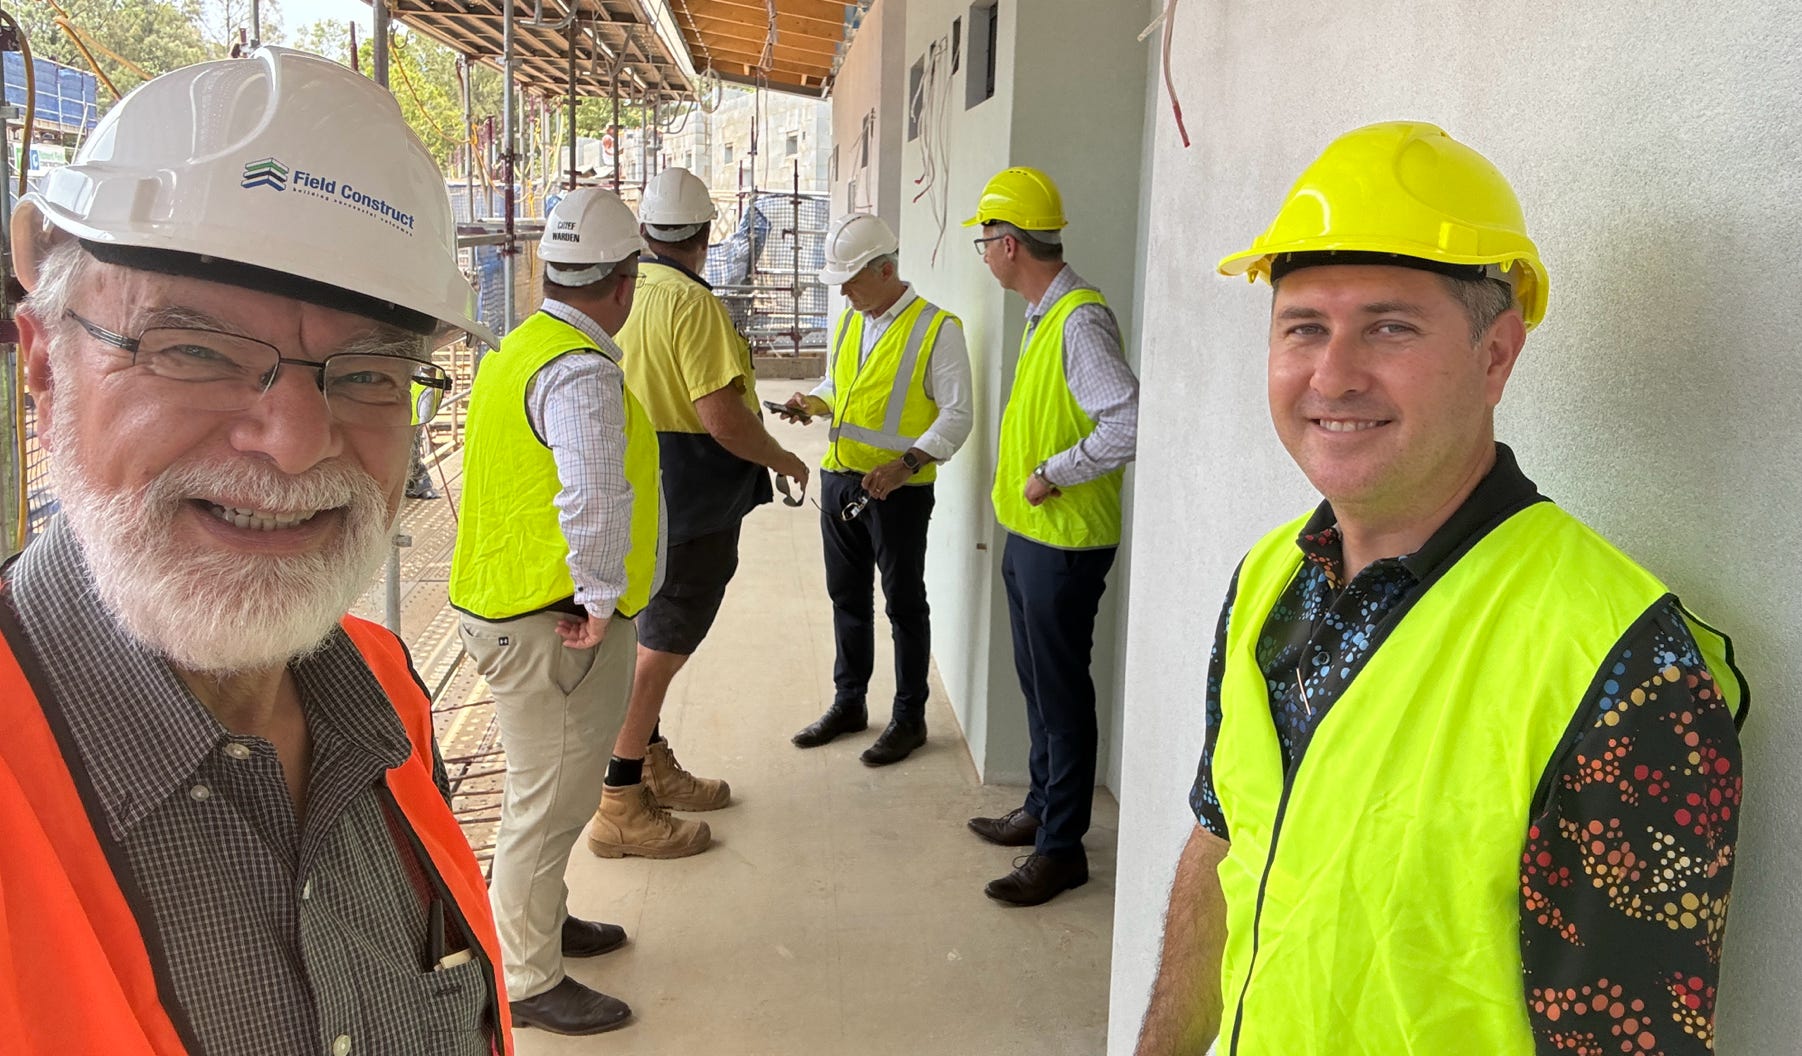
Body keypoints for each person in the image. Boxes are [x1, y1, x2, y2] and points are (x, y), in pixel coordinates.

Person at [1134, 121, 1748, 1056]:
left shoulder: (1626, 666)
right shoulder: (1270, 580)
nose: (1332, 376)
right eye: (1304, 327)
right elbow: (1222, 844)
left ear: (1496, 354)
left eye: (1390, 326)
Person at [1, 48, 510, 1055]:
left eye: (367, 372)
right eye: (193, 350)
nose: (294, 440)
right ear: (46, 367)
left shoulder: (383, 692)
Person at [448, 187, 665, 1035]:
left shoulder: (520, 348)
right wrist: (604, 602)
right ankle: (530, 977)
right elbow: (594, 498)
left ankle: (540, 925)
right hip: (551, 621)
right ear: (622, 281)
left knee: (551, 794)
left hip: (505, 603)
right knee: (545, 804)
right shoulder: (580, 371)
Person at [599, 167, 809, 856]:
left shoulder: (627, 293)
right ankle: (621, 798)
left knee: (646, 635)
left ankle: (649, 763)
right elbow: (721, 418)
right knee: (661, 650)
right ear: (705, 234)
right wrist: (782, 458)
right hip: (690, 500)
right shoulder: (694, 305)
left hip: (639, 488)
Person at [963, 166, 1140, 906]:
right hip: (1033, 534)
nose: (982, 252)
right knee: (1039, 683)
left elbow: (1127, 418)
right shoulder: (1046, 314)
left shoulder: (1078, 320)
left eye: (983, 240)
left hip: (1065, 540)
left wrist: (1057, 473)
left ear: (1008, 244)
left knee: (1061, 694)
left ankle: (1062, 847)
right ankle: (1042, 809)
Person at [780, 213, 973, 765]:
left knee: (904, 605)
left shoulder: (938, 329)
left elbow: (959, 415)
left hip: (898, 492)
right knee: (847, 599)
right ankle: (850, 704)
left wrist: (905, 465)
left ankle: (909, 717)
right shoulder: (850, 320)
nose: (842, 290)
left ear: (886, 269)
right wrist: (811, 403)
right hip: (842, 480)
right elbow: (838, 385)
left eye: (852, 280)